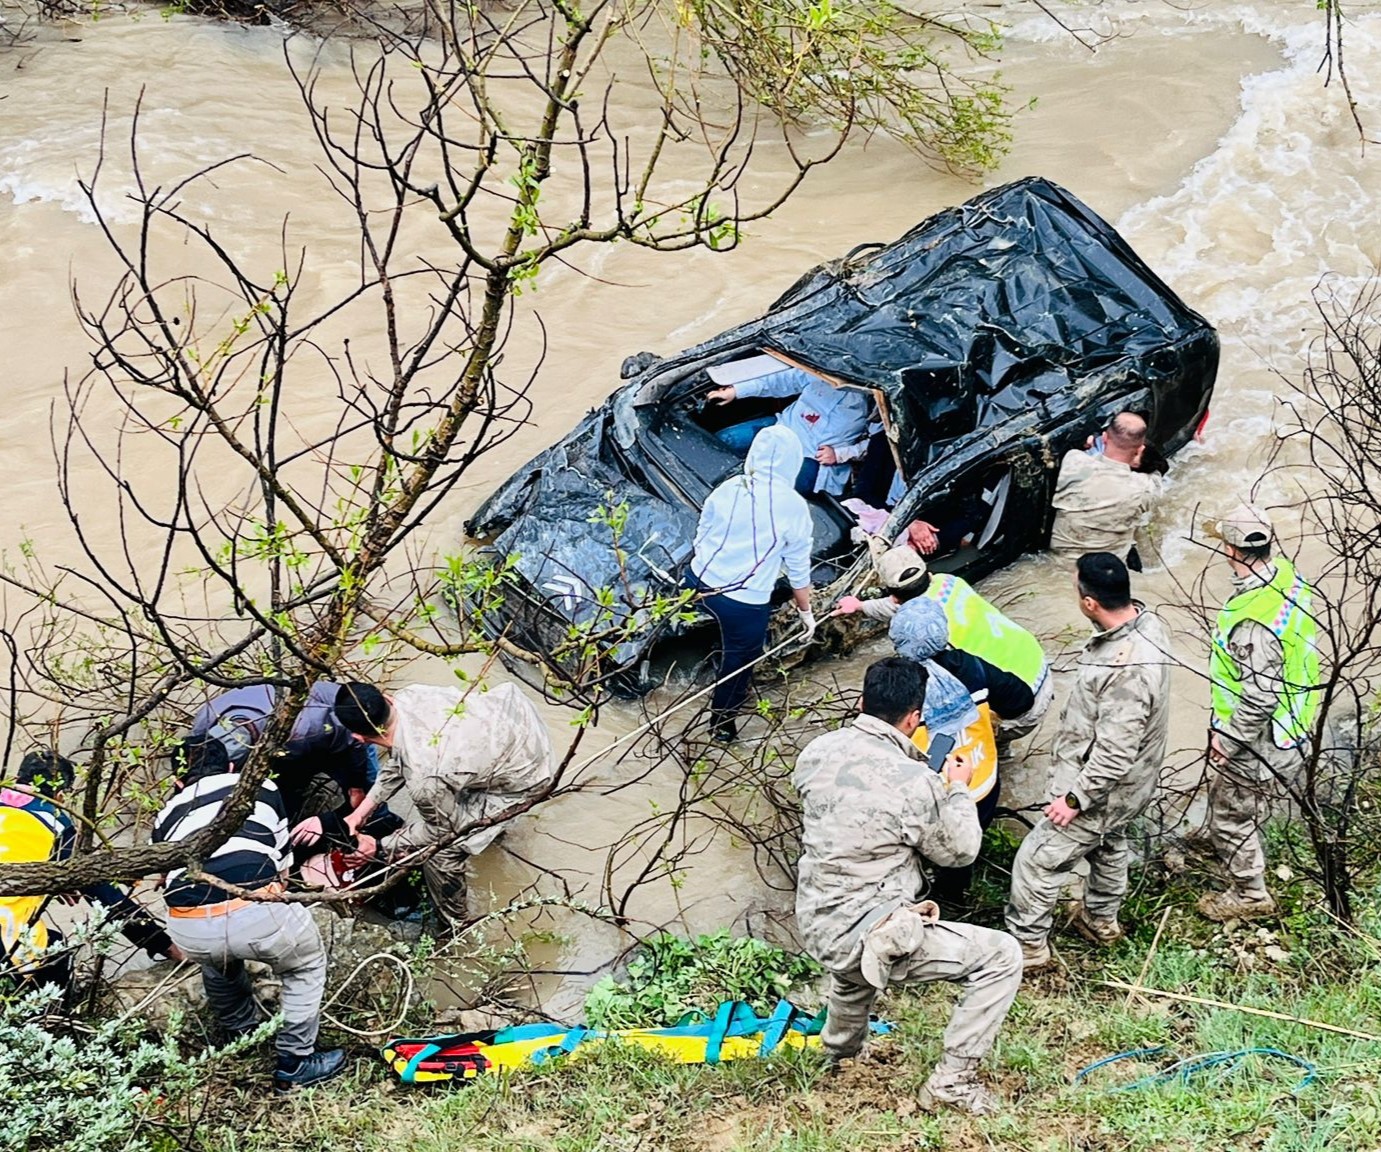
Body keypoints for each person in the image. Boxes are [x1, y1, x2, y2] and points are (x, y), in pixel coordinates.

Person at [794, 657, 1022, 1115]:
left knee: (852, 973)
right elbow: (960, 852)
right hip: (866, 932)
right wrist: (956, 788)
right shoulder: (917, 782)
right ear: (915, 718)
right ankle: (952, 1084)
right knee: (1003, 956)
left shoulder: (816, 752)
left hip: (816, 917)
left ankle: (839, 1056)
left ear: (862, 702)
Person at [1005, 553, 1171, 970]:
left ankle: (1028, 949)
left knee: (1038, 860)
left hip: (1102, 790)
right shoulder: (1149, 624)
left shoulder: (1126, 669)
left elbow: (1115, 753)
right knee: (1110, 843)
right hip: (1134, 785)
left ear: (1090, 603)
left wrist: (1074, 799)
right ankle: (1100, 920)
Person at [151, 739, 345, 1092]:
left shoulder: (165, 815)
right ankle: (295, 1061)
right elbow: (283, 871)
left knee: (217, 963)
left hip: (188, 925)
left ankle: (241, 1033)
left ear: (178, 781)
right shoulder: (260, 788)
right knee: (304, 964)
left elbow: (163, 877)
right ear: (231, 768)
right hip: (252, 906)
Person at [330, 680, 556, 928]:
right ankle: (492, 834)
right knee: (451, 800)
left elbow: (444, 832)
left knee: (442, 851)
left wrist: (379, 846)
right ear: (387, 699)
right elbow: (400, 757)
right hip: (514, 714)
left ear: (359, 738)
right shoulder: (410, 695)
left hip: (525, 773)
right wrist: (362, 811)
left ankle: (455, 924)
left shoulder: (425, 779)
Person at [1197, 505, 1321, 922]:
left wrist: (1226, 740)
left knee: (1230, 815)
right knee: (1241, 802)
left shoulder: (1252, 622)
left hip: (1262, 736)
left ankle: (1251, 895)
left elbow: (1259, 698)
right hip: (1296, 722)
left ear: (1231, 551)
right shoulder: (1288, 577)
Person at [1, 750, 182, 992]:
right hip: (7, 943)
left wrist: (52, 880)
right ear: (60, 795)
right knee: (55, 956)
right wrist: (163, 944)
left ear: (16, 779)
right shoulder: (55, 822)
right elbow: (106, 896)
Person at [836, 545, 1052, 740]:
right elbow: (902, 606)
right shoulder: (948, 582)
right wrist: (860, 606)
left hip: (1024, 704)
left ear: (894, 597)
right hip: (1038, 668)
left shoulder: (937, 650)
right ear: (928, 574)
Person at [688, 424, 816, 741]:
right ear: (793, 462)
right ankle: (722, 727)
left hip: (697, 580)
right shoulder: (794, 507)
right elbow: (798, 569)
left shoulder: (731, 486)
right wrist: (806, 612)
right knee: (741, 660)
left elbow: (703, 527)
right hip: (743, 602)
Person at [187, 680, 375, 823]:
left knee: (368, 795)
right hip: (276, 730)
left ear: (231, 768)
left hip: (348, 724)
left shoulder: (301, 731)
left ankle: (378, 825)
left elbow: (354, 742)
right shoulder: (204, 724)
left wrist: (356, 787)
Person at [707, 363, 871, 496]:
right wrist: (736, 391)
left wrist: (840, 454)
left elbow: (879, 443)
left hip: (814, 457)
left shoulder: (875, 399)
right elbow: (781, 380)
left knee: (774, 487)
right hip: (783, 427)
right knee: (723, 440)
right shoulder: (824, 369)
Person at [1049, 411, 1162, 569]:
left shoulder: (1073, 460)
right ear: (1140, 448)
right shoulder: (1145, 488)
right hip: (1107, 570)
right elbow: (1157, 471)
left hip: (1060, 563)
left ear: (1104, 438)